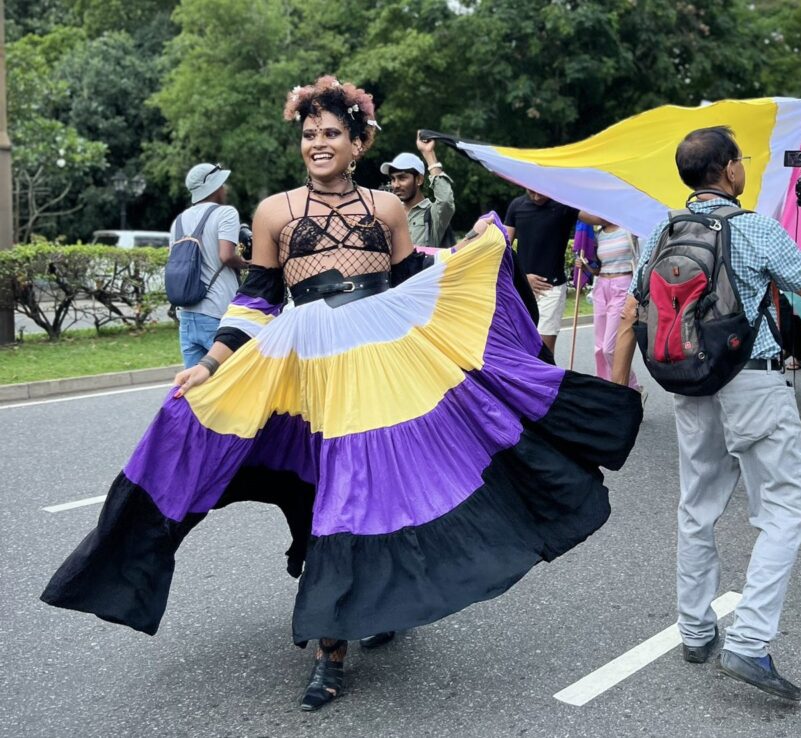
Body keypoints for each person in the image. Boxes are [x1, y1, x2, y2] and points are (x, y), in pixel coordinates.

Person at [41, 76, 643, 712]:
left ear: (358, 143)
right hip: (304, 365)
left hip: (378, 364)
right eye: (309, 135)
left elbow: (416, 283)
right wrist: (212, 365)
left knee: (365, 489)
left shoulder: (387, 209)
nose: (318, 144)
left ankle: (347, 629)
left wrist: (473, 256)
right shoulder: (274, 211)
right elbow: (259, 298)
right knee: (323, 488)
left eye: (331, 133)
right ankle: (332, 645)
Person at [612, 124, 801, 702]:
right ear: (727, 169)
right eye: (740, 159)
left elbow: (632, 312)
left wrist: (618, 385)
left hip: (690, 384)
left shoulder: (661, 232)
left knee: (697, 507)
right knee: (785, 509)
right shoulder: (753, 229)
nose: (743, 166)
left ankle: (697, 630)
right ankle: (748, 641)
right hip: (753, 384)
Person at [173, 163, 247, 368]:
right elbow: (226, 256)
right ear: (215, 187)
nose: (225, 189)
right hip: (218, 312)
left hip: (187, 315)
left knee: (197, 388)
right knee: (232, 381)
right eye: (223, 184)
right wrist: (248, 264)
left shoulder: (179, 220)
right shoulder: (225, 213)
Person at [505, 190, 579, 354]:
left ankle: (548, 380)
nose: (537, 197)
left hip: (551, 289)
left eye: (541, 193)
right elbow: (504, 248)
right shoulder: (517, 206)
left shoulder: (564, 205)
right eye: (532, 192)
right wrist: (523, 278)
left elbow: (598, 217)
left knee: (543, 351)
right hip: (522, 288)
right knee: (520, 347)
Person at [574, 218, 641, 390]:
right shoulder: (597, 235)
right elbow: (597, 268)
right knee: (599, 349)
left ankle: (633, 388)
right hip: (602, 286)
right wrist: (585, 265)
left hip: (623, 284)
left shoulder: (629, 229)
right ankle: (607, 390)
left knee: (610, 348)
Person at [381, 134, 455, 248]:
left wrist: (429, 154)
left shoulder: (432, 213)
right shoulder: (390, 213)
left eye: (402, 178)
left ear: (419, 179)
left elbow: (445, 201)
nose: (395, 185)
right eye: (393, 179)